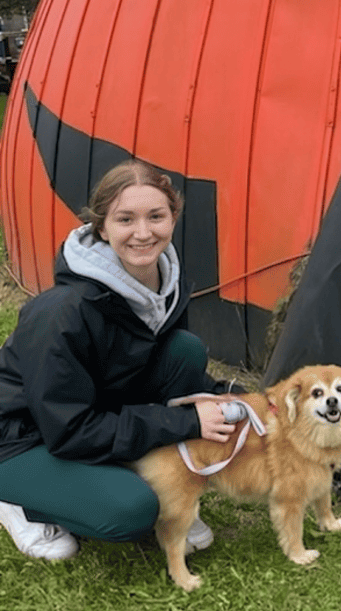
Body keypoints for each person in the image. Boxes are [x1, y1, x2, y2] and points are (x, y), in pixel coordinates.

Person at [0, 160, 239, 560]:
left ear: (173, 217)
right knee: (131, 511)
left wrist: (235, 399)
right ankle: (20, 503)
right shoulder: (62, 312)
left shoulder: (165, 283)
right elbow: (70, 431)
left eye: (156, 216)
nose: (143, 233)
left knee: (184, 350)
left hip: (91, 406)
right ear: (101, 226)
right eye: (125, 219)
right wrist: (188, 422)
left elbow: (158, 370)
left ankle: (127, 477)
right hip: (23, 437)